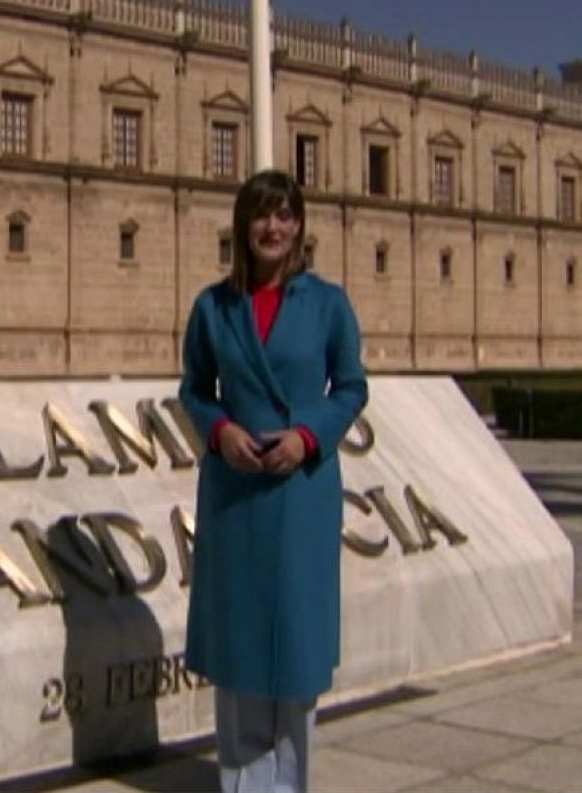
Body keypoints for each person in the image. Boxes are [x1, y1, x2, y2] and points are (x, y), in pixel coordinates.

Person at [178, 169, 369, 792]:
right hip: (236, 493)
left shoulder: (328, 304)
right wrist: (219, 431)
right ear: (243, 226)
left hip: (300, 489)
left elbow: (350, 387)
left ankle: (287, 786)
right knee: (240, 651)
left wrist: (308, 436)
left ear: (300, 228)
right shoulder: (213, 307)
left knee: (294, 652)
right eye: (262, 215)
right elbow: (194, 390)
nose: (273, 227)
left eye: (285, 216)